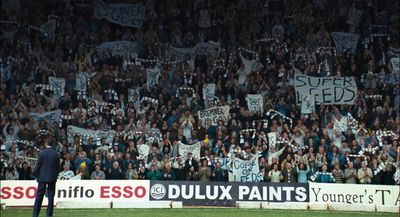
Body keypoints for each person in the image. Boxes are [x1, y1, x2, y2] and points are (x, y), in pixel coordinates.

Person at [33, 136, 60, 217]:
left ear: (46, 143)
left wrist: (36, 176)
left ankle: (35, 215)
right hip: (52, 177)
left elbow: (38, 166)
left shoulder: (42, 153)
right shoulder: (56, 154)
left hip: (42, 177)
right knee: (51, 197)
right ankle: (49, 215)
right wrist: (55, 177)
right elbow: (58, 167)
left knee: (39, 197)